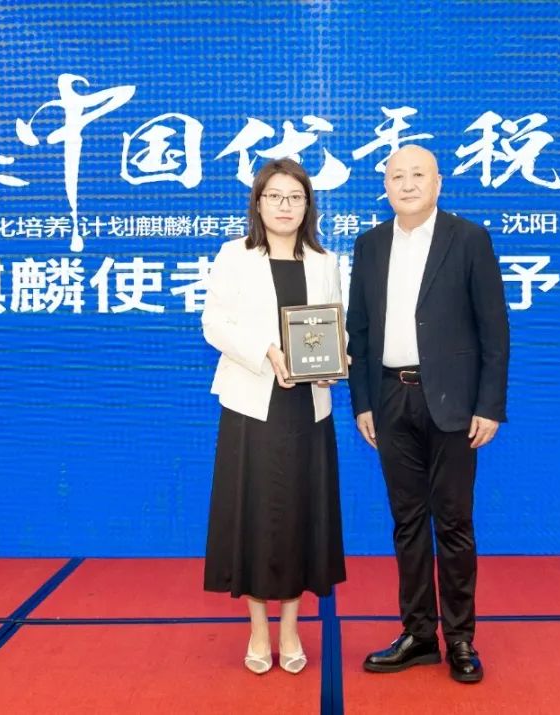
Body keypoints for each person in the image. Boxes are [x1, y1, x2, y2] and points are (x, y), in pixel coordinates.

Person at [345, 145, 509, 684]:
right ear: (385, 187)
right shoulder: (370, 245)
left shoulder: (469, 239)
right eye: (397, 176)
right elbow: (358, 330)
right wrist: (363, 401)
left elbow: (494, 330)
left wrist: (488, 405)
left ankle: (460, 638)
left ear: (438, 183)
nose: (408, 184)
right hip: (391, 398)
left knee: (455, 522)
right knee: (407, 522)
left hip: (454, 403)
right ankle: (417, 634)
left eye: (419, 174)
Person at [202, 158, 347, 675]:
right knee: (256, 518)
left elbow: (336, 327)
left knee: (301, 519)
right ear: (258, 203)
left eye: (295, 197)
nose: (285, 206)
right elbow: (214, 323)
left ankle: (291, 629)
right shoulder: (234, 255)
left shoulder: (325, 261)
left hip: (308, 408)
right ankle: (258, 630)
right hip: (252, 404)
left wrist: (335, 363)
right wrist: (264, 350)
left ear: (308, 205)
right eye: (275, 196)